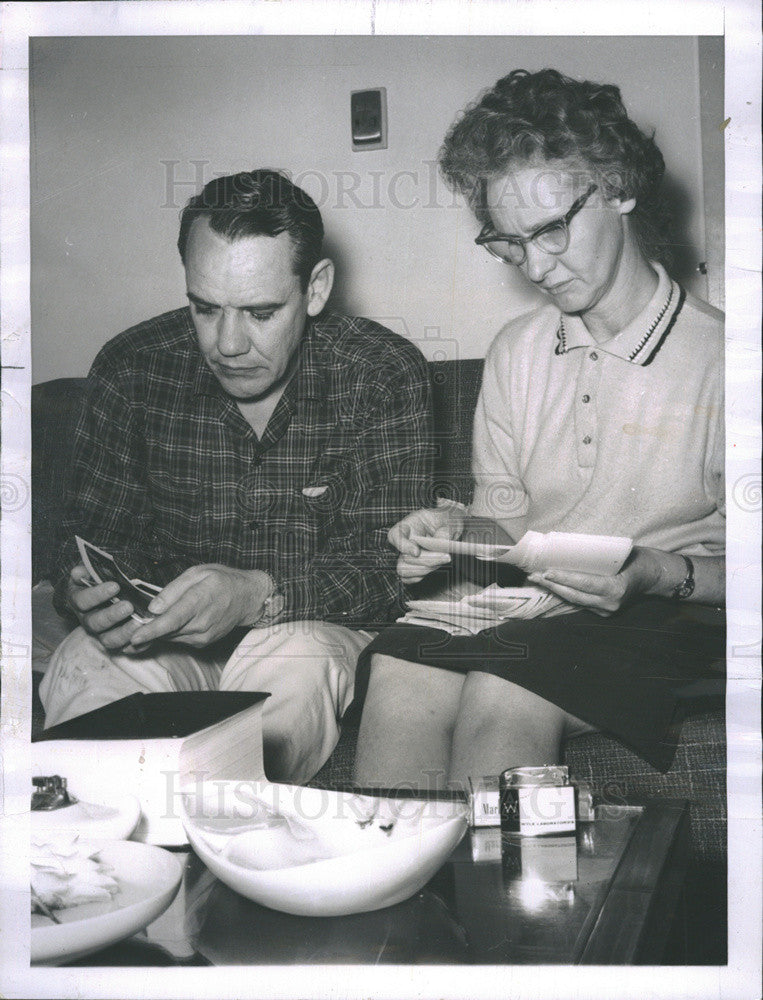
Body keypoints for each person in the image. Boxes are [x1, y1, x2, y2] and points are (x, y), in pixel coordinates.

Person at [353, 69, 725, 790]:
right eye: (508, 243)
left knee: (506, 685)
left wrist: (654, 572)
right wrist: (451, 529)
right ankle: (398, 899)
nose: (535, 265)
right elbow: (505, 524)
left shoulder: (727, 361)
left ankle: (504, 905)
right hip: (538, 607)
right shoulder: (515, 351)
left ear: (619, 188)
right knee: (400, 671)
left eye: (551, 229)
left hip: (678, 614)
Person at [39, 169, 432, 784]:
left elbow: (394, 574)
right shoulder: (131, 369)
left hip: (307, 634)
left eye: (260, 312)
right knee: (84, 662)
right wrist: (82, 589)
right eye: (204, 308)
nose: (227, 343)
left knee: (293, 659)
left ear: (317, 288)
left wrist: (256, 593)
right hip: (163, 641)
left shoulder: (381, 375)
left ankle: (229, 852)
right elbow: (84, 535)